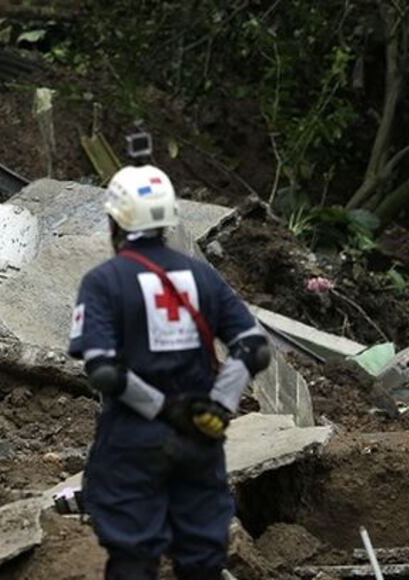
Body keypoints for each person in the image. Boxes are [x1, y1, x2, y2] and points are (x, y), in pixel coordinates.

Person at [68, 165, 271, 580]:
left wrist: (163, 408)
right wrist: (218, 406)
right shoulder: (201, 276)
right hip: (200, 436)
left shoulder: (104, 281)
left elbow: (104, 371)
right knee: (202, 557)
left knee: (133, 556)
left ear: (115, 220)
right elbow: (254, 347)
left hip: (134, 439)